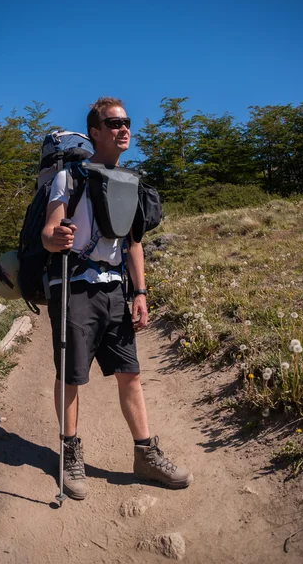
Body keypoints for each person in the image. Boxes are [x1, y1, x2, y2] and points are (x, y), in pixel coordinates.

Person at [41, 97, 192, 500]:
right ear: (94, 131)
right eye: (113, 123)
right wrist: (56, 239)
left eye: (126, 122)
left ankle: (145, 455)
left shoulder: (130, 182)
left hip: (113, 289)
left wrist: (139, 292)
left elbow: (133, 245)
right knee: (71, 375)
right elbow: (49, 231)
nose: (123, 128)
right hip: (73, 287)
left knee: (131, 372)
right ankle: (69, 452)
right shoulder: (69, 178)